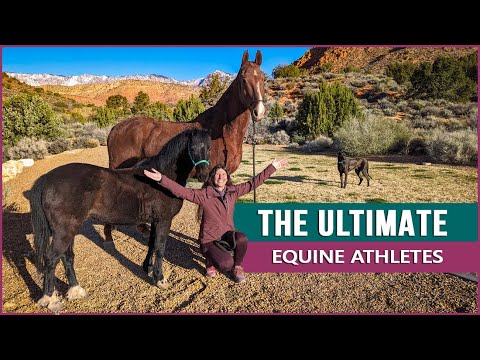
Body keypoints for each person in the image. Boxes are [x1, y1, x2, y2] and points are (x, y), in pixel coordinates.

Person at [144, 158, 288, 284]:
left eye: (224, 174)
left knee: (242, 239)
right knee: (226, 264)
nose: (221, 177)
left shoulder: (233, 191)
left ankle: (237, 267)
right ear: (212, 178)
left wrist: (272, 167)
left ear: (227, 177)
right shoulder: (203, 195)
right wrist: (161, 179)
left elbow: (253, 183)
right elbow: (182, 191)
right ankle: (210, 259)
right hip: (209, 240)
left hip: (226, 236)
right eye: (218, 174)